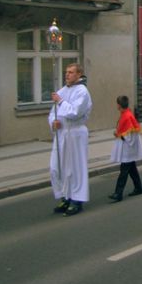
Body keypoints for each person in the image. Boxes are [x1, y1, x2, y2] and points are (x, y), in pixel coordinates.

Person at [48, 63, 93, 217]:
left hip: (75, 132)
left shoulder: (82, 92)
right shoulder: (61, 91)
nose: (67, 75)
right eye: (66, 72)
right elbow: (53, 112)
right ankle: (64, 195)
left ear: (78, 74)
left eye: (71, 72)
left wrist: (60, 101)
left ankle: (77, 198)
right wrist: (53, 121)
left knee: (74, 167)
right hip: (61, 133)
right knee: (56, 167)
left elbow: (74, 112)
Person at [109, 96, 142, 202]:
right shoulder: (126, 114)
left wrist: (119, 134)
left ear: (119, 105)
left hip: (128, 148)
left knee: (123, 171)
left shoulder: (127, 116)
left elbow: (131, 135)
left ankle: (118, 193)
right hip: (127, 147)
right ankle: (138, 188)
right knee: (132, 169)